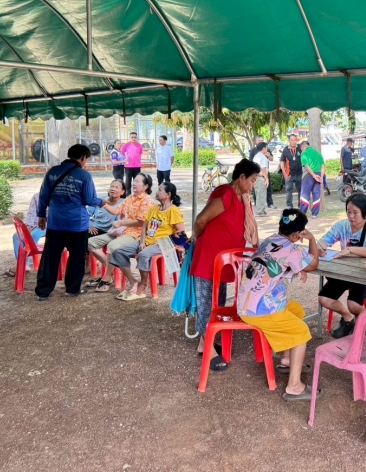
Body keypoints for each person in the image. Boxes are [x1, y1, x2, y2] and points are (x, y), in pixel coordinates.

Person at [238, 209, 319, 401]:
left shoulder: (270, 240)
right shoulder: (291, 249)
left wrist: (298, 268)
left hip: (248, 303)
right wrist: (312, 240)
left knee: (296, 310)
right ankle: (294, 386)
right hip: (260, 309)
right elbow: (313, 264)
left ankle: (287, 358)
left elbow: (277, 264)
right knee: (301, 331)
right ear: (298, 234)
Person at [191, 159, 260, 357]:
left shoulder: (242, 198)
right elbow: (201, 220)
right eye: (252, 180)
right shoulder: (226, 193)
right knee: (206, 303)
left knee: (218, 303)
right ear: (241, 177)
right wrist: (199, 238)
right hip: (208, 257)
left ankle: (205, 343)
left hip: (223, 262)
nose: (252, 186)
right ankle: (208, 349)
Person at [35, 144, 105, 300]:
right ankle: (72, 289)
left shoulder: (52, 172)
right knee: (76, 257)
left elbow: (43, 196)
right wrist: (102, 202)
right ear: (83, 158)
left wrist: (41, 215)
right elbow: (89, 200)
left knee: (50, 258)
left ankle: (43, 291)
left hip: (55, 222)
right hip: (77, 224)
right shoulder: (84, 175)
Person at [317, 193, 366, 338]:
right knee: (324, 299)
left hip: (365, 274)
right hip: (345, 273)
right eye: (348, 212)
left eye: (355, 212)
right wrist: (319, 248)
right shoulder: (342, 225)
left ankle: (365, 319)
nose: (351, 216)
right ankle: (348, 318)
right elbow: (324, 241)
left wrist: (351, 249)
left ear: (364, 212)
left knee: (354, 305)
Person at [111, 182, 185, 301]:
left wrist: (162, 242)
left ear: (168, 194)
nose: (157, 192)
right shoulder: (154, 208)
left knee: (143, 254)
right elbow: (144, 227)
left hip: (161, 244)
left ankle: (143, 283)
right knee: (118, 252)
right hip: (147, 241)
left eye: (160, 190)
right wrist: (142, 242)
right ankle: (133, 281)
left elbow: (180, 231)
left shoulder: (173, 211)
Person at [93, 174, 156, 294]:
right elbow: (116, 211)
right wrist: (103, 204)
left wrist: (121, 222)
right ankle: (113, 272)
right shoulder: (130, 198)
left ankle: (108, 277)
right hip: (123, 232)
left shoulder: (147, 201)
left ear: (146, 186)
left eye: (138, 181)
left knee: (113, 246)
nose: (134, 183)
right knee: (91, 242)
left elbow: (141, 222)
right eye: (134, 181)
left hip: (137, 235)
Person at [83, 180, 126, 286]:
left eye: (117, 187)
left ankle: (109, 270)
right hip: (94, 227)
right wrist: (89, 225)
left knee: (87, 240)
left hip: (110, 231)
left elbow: (120, 222)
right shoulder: (100, 200)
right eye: (112, 186)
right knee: (80, 236)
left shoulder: (124, 203)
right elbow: (85, 213)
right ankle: (88, 263)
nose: (113, 189)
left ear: (122, 192)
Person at [10, 192, 45, 277]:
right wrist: (29, 226)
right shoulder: (37, 196)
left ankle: (21, 265)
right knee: (16, 236)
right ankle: (24, 265)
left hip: (49, 225)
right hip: (35, 224)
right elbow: (31, 213)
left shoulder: (58, 196)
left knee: (33, 235)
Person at [299, 140, 325, 218]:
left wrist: (313, 175)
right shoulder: (318, 153)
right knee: (316, 194)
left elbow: (306, 165)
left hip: (308, 174)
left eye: (301, 149)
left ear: (303, 147)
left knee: (305, 194)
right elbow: (323, 166)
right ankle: (314, 214)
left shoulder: (304, 153)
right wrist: (321, 177)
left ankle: (303, 212)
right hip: (318, 174)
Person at [250, 135, 275, 209]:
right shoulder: (253, 151)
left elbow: (271, 159)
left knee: (268, 188)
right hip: (257, 174)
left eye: (262, 140)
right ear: (256, 141)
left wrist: (269, 156)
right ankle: (258, 205)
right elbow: (251, 163)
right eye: (259, 140)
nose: (261, 142)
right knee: (257, 190)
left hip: (265, 172)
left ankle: (270, 203)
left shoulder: (266, 149)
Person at [279, 134, 302, 209]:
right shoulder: (286, 149)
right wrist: (284, 173)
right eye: (292, 140)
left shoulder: (300, 148)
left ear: (296, 140)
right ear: (289, 141)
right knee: (288, 190)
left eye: (295, 140)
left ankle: (300, 205)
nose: (293, 142)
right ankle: (289, 205)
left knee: (301, 190)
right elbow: (282, 162)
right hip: (289, 174)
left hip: (299, 174)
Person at [252, 143, 271, 216]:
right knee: (261, 195)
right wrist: (266, 179)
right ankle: (259, 211)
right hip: (261, 177)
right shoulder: (262, 157)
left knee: (258, 194)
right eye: (266, 147)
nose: (267, 149)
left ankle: (261, 210)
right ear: (263, 148)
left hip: (256, 177)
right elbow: (263, 169)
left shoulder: (256, 156)